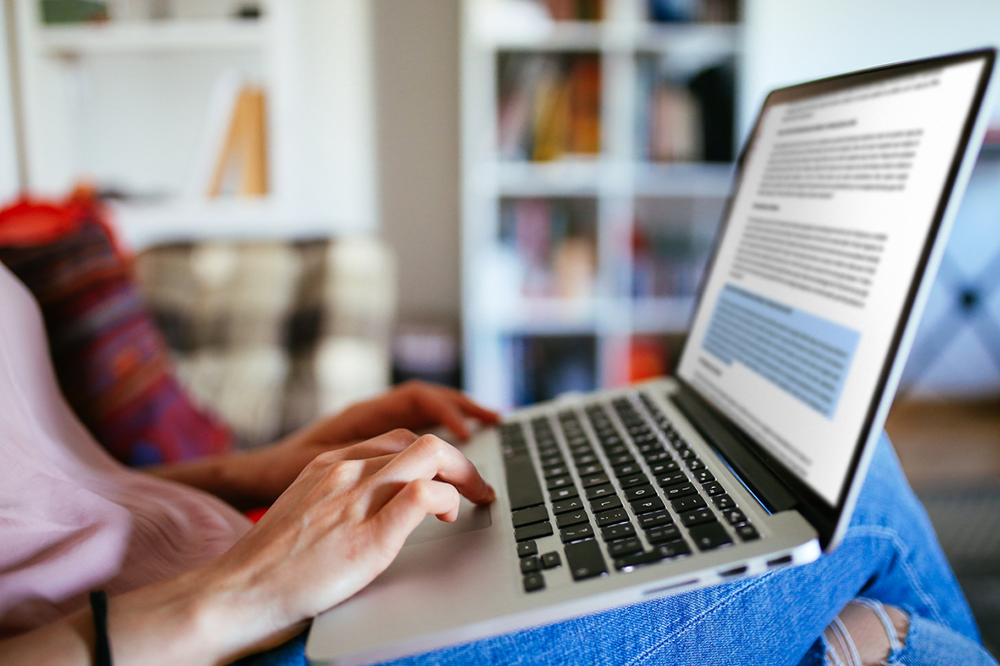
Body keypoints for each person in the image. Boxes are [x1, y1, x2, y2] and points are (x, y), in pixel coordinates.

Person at [0, 260, 995, 666]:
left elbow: (51, 482)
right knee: (845, 503)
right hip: (215, 640)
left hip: (260, 578)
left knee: (819, 476)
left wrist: (254, 472)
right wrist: (222, 600)